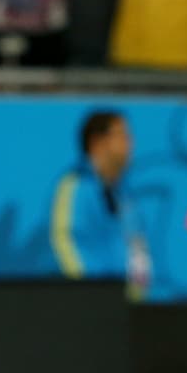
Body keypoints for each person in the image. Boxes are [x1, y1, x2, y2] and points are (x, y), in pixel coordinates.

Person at [49, 110, 150, 297]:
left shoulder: (127, 197)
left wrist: (135, 295)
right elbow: (65, 242)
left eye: (129, 136)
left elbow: (138, 248)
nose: (130, 143)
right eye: (121, 135)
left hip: (125, 308)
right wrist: (92, 294)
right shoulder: (74, 187)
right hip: (86, 304)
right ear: (97, 143)